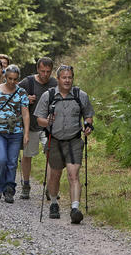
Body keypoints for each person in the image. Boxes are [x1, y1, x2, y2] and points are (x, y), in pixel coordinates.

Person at [34, 65, 94, 224]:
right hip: (54, 140)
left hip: (74, 140)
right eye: (64, 77)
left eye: (70, 77)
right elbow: (39, 119)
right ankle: (54, 203)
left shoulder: (80, 95)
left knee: (73, 175)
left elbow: (88, 115)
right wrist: (47, 121)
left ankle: (75, 209)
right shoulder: (48, 96)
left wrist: (88, 125)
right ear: (58, 79)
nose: (67, 80)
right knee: (55, 175)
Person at [0, 65, 30, 203]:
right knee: (1, 159)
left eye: (15, 79)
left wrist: (26, 133)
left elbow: (25, 113)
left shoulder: (21, 92)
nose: (12, 82)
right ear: (5, 77)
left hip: (16, 131)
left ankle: (9, 189)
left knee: (12, 162)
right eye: (9, 78)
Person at [17, 57, 57, 199]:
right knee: (27, 156)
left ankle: (50, 187)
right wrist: (25, 99)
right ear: (37, 69)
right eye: (42, 71)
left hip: (48, 127)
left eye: (48, 71)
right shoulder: (27, 82)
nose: (45, 74)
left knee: (52, 156)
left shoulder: (55, 83)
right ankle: (26, 185)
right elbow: (12, 96)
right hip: (31, 126)